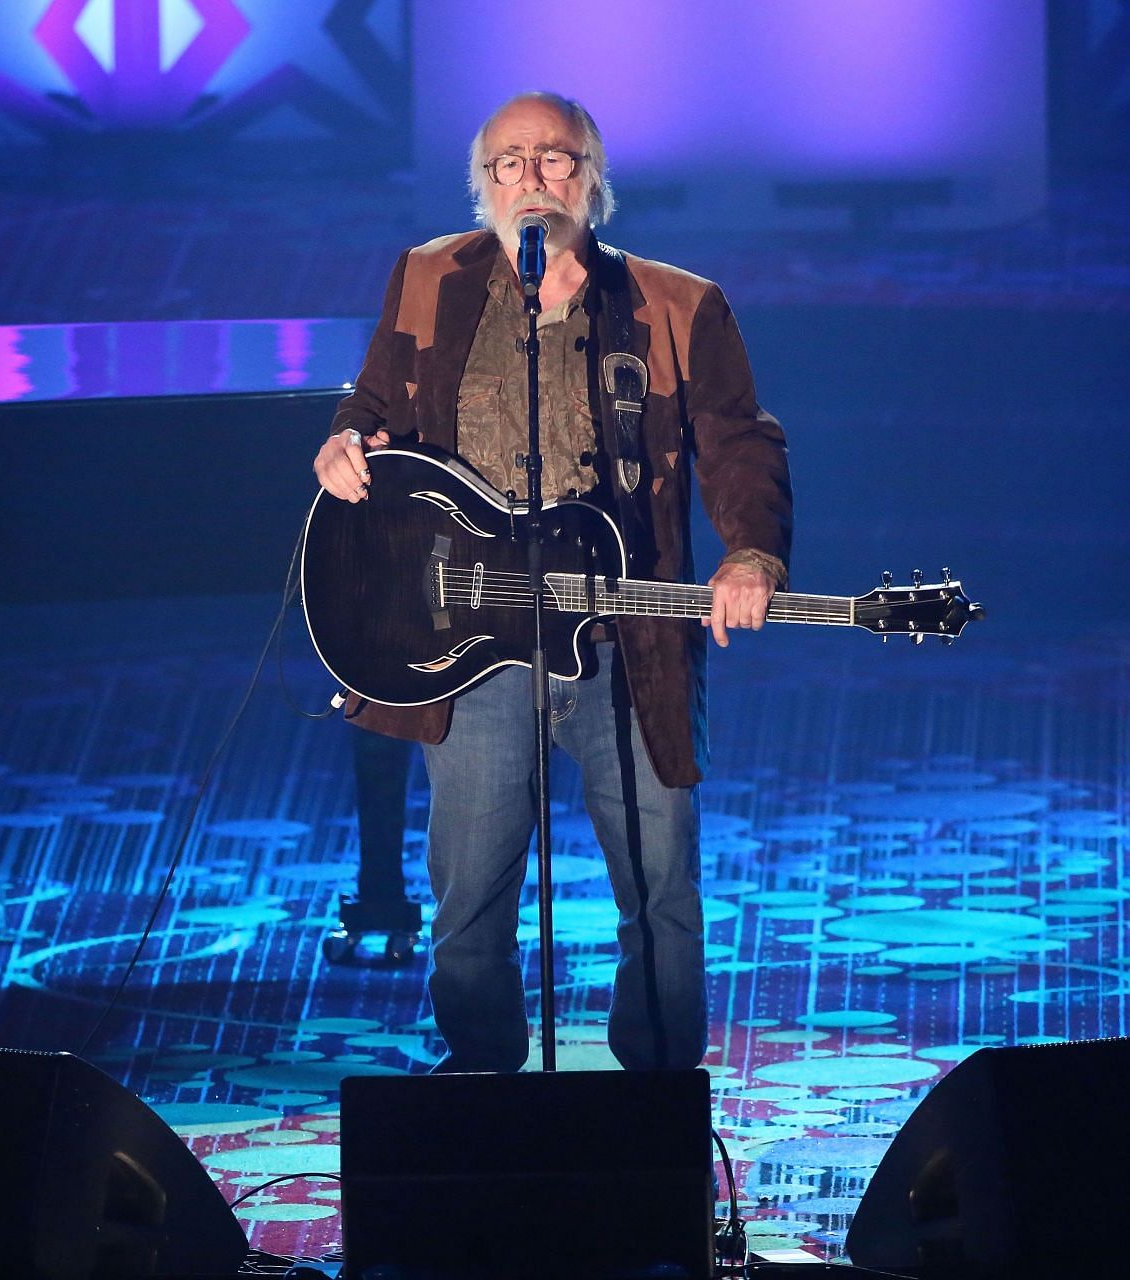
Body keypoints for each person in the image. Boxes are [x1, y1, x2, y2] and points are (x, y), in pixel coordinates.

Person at [311, 90, 791, 1072]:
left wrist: (751, 550)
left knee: (660, 884)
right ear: (484, 183)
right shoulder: (427, 279)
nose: (533, 180)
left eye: (556, 160)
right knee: (470, 890)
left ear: (594, 179)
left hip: (628, 644)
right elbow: (369, 403)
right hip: (473, 646)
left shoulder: (676, 303)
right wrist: (343, 444)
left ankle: (658, 1084)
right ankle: (483, 1070)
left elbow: (738, 440)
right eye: (510, 164)